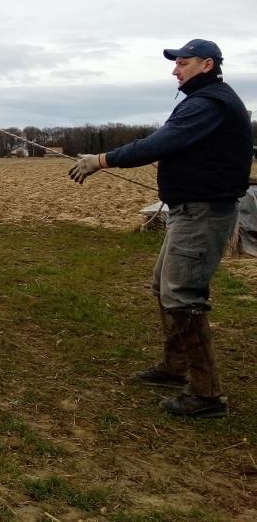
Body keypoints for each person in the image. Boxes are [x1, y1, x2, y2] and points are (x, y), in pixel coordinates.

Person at [69, 39, 252, 418]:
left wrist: (100, 160)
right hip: (189, 211)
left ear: (206, 65)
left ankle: (206, 396)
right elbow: (177, 146)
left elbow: (161, 142)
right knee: (163, 287)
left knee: (182, 295)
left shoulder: (208, 103)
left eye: (182, 63)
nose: (174, 70)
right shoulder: (204, 101)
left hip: (203, 213)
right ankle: (174, 367)